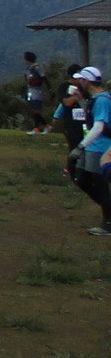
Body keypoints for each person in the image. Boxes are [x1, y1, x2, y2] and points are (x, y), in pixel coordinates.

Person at [65, 68, 111, 235]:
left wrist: (80, 146)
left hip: (100, 147)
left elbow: (99, 126)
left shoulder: (102, 100)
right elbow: (91, 118)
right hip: (92, 146)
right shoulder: (95, 99)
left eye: (81, 80)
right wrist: (80, 98)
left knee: (100, 184)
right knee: (82, 179)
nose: (79, 83)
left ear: (87, 81)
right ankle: (108, 211)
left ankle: (108, 222)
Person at [22, 51, 49, 134]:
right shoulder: (29, 68)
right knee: (33, 110)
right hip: (31, 90)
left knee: (36, 110)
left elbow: (44, 78)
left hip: (37, 90)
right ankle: (45, 126)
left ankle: (37, 128)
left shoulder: (37, 68)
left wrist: (49, 89)